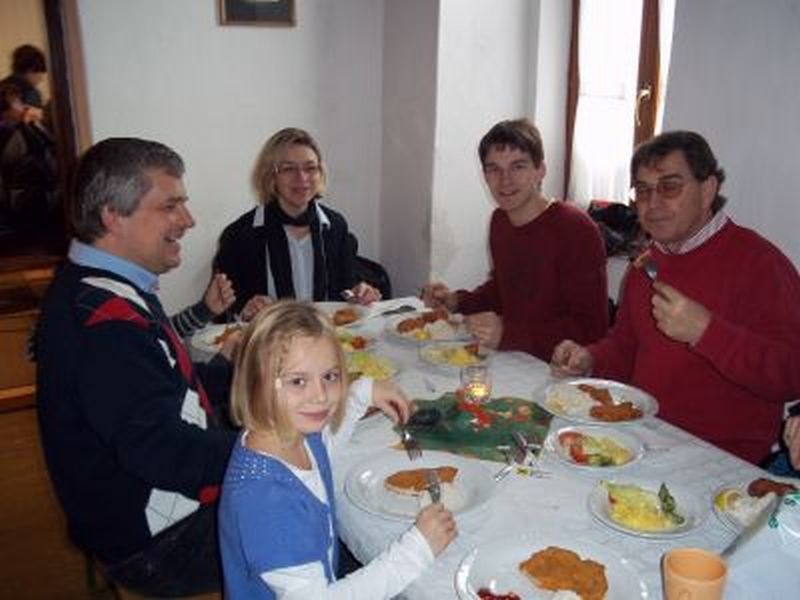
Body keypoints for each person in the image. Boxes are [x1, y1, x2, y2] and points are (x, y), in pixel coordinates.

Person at [35, 137, 239, 596]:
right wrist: (271, 451)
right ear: (113, 215)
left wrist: (265, 380)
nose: (188, 220)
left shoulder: (102, 286)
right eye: (170, 206)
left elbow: (170, 384)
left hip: (146, 512)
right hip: (157, 543)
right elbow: (163, 451)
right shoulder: (103, 321)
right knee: (334, 527)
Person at [551, 130, 800, 464]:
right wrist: (590, 359)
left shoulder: (761, 265)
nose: (653, 203)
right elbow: (625, 347)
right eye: (643, 190)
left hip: (725, 461)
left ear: (708, 189)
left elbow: (791, 375)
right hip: (640, 438)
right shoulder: (646, 264)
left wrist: (705, 332)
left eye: (669, 186)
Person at [219, 301, 457, 598]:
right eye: (298, 381)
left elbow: (321, 455)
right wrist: (416, 551)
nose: (320, 396)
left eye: (330, 376)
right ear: (257, 384)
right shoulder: (267, 500)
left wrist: (361, 394)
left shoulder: (286, 431)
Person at [422, 118, 609, 361]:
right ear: (484, 175)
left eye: (518, 167)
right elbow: (503, 289)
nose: (505, 180)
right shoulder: (500, 220)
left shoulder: (575, 229)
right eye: (494, 169)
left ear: (540, 170)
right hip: (515, 357)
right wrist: (457, 301)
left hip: (560, 368)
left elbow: (591, 329)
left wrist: (508, 334)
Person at [214, 127, 381, 319]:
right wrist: (245, 310)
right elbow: (223, 311)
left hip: (326, 332)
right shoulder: (239, 235)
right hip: (269, 335)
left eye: (310, 168)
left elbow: (345, 291)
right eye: (288, 169)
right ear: (270, 175)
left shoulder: (335, 227)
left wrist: (359, 294)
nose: (302, 178)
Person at [0, 44, 48, 121]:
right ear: (30, 69)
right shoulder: (29, 92)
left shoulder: (3, 86)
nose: (41, 78)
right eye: (40, 72)